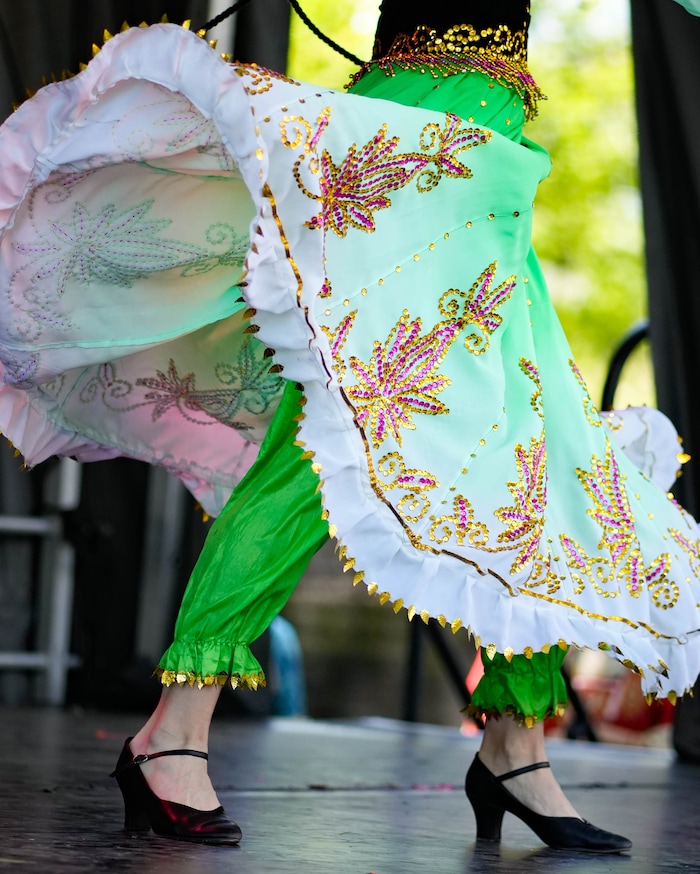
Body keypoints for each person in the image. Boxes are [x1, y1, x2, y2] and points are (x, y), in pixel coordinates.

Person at [2, 0, 700, 854]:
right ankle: (171, 731)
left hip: (485, 154)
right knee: (327, 436)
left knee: (531, 451)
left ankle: (516, 741)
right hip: (421, 141)